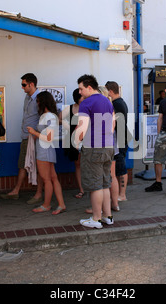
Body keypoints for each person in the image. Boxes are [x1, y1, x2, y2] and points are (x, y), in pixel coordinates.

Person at [74, 74, 115, 229]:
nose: (80, 92)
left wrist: (76, 143)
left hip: (93, 147)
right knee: (105, 183)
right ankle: (107, 216)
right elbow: (112, 125)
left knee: (95, 185)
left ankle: (96, 218)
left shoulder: (86, 103)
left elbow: (82, 127)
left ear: (89, 87)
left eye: (81, 88)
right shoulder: (107, 100)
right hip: (108, 146)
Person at [5, 73, 43, 204]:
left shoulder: (40, 98)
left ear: (31, 84)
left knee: (39, 166)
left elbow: (44, 117)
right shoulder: (27, 98)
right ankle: (16, 191)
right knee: (22, 163)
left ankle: (38, 194)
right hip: (26, 136)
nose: (22, 87)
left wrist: (37, 133)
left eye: (23, 84)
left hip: (35, 137)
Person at [27, 91, 66, 215]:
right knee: (53, 178)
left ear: (42, 102)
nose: (36, 103)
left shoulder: (47, 116)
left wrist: (34, 133)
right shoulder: (50, 116)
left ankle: (46, 205)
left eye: (38, 101)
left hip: (44, 150)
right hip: (48, 149)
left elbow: (48, 137)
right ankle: (61, 204)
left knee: (47, 179)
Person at [106, 81, 129, 204]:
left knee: (121, 167)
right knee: (120, 167)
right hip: (121, 138)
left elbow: (117, 124)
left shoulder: (116, 104)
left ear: (110, 91)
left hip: (120, 140)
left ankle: (122, 194)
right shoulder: (121, 102)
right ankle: (120, 193)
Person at [60, 89, 84, 199]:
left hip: (87, 141)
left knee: (88, 165)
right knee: (77, 165)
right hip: (74, 142)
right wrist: (66, 124)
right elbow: (59, 119)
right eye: (82, 97)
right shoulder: (69, 108)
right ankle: (81, 189)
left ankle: (90, 188)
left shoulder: (88, 108)